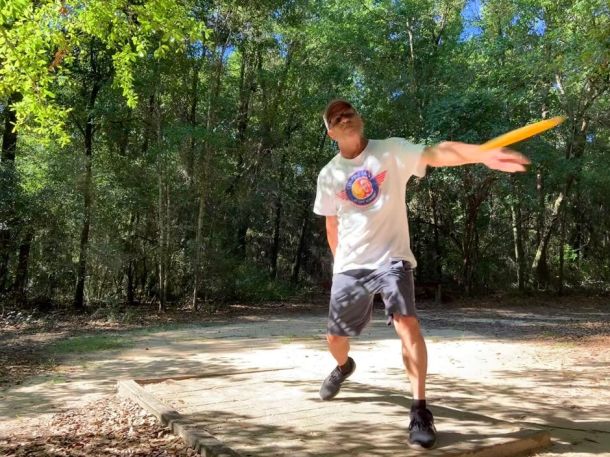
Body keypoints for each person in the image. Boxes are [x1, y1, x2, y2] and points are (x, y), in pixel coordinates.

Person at [313, 99, 529, 450]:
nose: (344, 117)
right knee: (335, 338)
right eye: (336, 118)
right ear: (330, 133)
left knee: (408, 324)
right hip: (350, 265)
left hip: (392, 258)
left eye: (349, 112)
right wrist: (341, 266)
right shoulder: (329, 174)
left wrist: (480, 153)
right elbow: (331, 224)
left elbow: (437, 152)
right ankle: (343, 366)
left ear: (360, 118)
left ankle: (419, 410)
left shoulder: (391, 151)